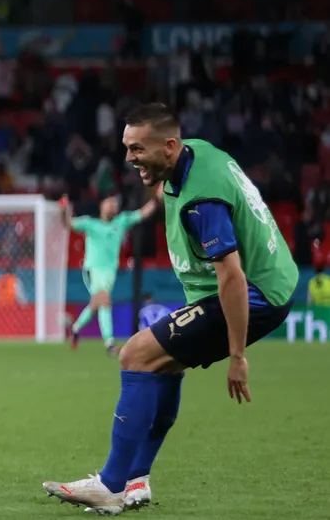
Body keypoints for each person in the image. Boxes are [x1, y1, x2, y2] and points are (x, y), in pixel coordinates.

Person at [43, 103, 298, 515]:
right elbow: (166, 191)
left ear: (169, 146)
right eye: (127, 148)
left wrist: (237, 357)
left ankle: (110, 485)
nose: (129, 158)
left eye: (137, 149)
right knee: (164, 364)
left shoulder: (203, 203)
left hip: (253, 293)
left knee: (136, 354)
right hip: (269, 280)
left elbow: (231, 277)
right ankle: (137, 479)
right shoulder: (194, 154)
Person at [60, 193, 159, 354]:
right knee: (104, 301)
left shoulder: (122, 221)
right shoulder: (90, 223)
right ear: (101, 205)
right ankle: (110, 343)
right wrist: (63, 210)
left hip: (109, 272)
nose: (113, 206)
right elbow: (68, 223)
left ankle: (76, 328)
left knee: (96, 305)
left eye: (115, 203)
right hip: (93, 270)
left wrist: (157, 198)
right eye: (109, 203)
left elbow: (143, 213)